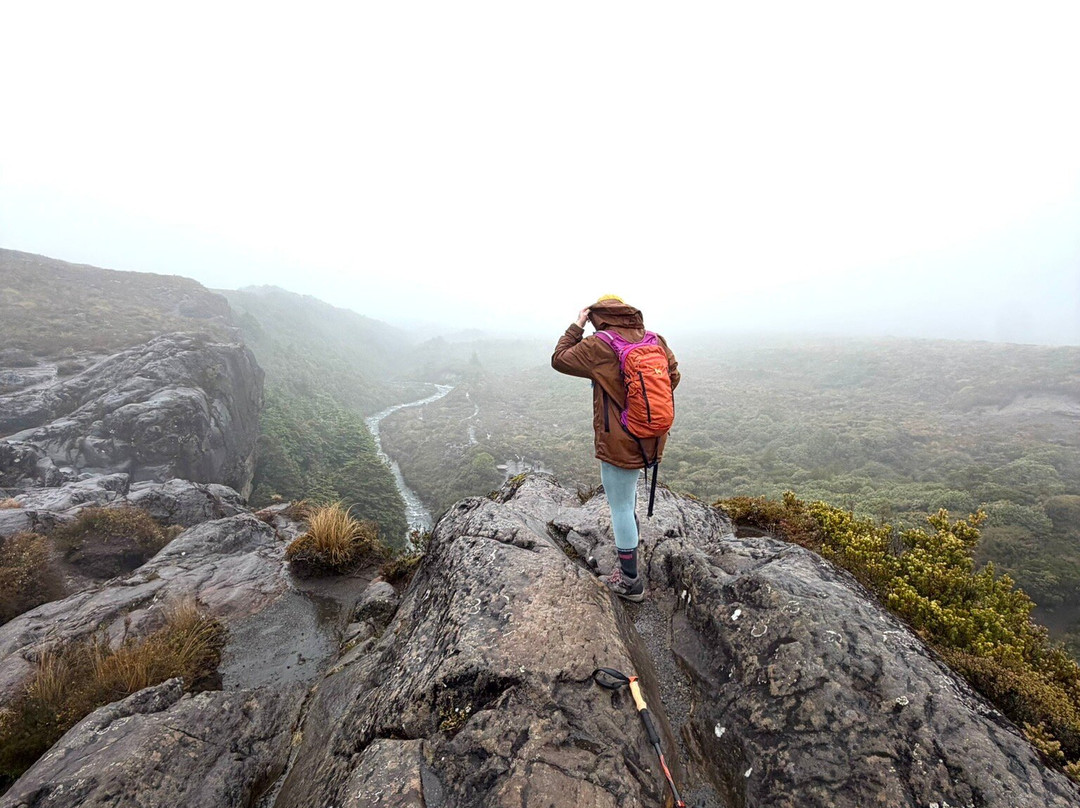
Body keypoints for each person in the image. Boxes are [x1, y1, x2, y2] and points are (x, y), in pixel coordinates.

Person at [551, 295, 680, 601]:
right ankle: (630, 555)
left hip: (620, 439)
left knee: (620, 506)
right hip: (650, 435)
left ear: (599, 316)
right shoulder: (654, 339)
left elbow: (560, 358)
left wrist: (576, 325)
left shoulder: (600, 345)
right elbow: (672, 377)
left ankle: (630, 581)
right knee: (628, 499)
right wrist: (641, 404)